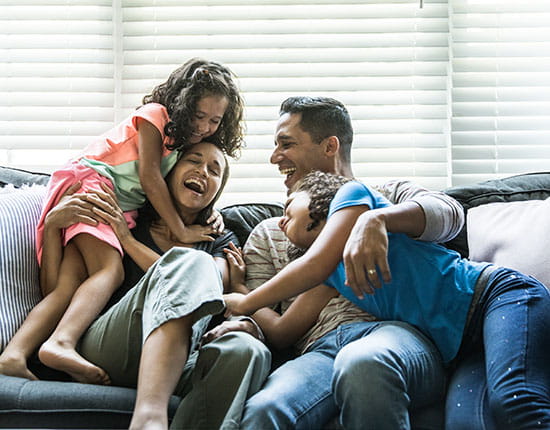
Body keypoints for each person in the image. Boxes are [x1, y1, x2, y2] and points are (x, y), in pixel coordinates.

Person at [203, 96, 464, 429]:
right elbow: (268, 320)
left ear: (329, 146)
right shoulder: (269, 233)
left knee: (366, 365)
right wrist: (245, 315)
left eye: (286, 144)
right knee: (264, 410)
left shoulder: (381, 196)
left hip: (395, 337)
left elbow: (452, 215)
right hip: (319, 351)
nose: (274, 157)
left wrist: (377, 220)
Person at [224, 170, 550, 430]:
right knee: (466, 423)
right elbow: (282, 331)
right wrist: (239, 288)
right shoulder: (333, 275)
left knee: (514, 400)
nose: (281, 220)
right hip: (466, 348)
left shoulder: (354, 197)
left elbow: (313, 263)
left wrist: (245, 302)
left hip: (498, 298)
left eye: (288, 205)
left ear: (320, 194)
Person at [0, 57, 245, 382]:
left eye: (214, 121)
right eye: (199, 115)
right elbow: (149, 177)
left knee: (69, 287)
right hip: (94, 185)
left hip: (115, 201)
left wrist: (208, 211)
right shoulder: (155, 116)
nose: (203, 127)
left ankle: (14, 353)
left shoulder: (180, 152)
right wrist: (181, 230)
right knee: (110, 270)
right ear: (184, 103)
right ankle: (61, 341)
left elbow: (180, 188)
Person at [2, 142, 271, 430]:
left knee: (247, 350)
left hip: (182, 356)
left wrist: (127, 243)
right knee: (194, 262)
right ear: (168, 171)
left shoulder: (219, 237)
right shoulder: (128, 215)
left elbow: (213, 287)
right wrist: (53, 227)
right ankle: (149, 417)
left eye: (214, 170)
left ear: (218, 189)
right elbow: (58, 290)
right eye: (193, 161)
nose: (203, 172)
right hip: (112, 345)